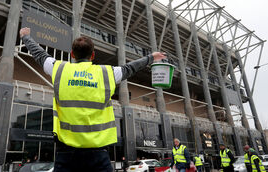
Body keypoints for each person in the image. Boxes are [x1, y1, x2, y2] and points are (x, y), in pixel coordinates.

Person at [19, 27, 167, 172]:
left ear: (72, 54)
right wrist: (151, 57)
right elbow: (130, 68)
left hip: (66, 154)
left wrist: (26, 36)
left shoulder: (59, 69)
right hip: (98, 154)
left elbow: (40, 54)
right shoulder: (106, 73)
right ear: (93, 55)